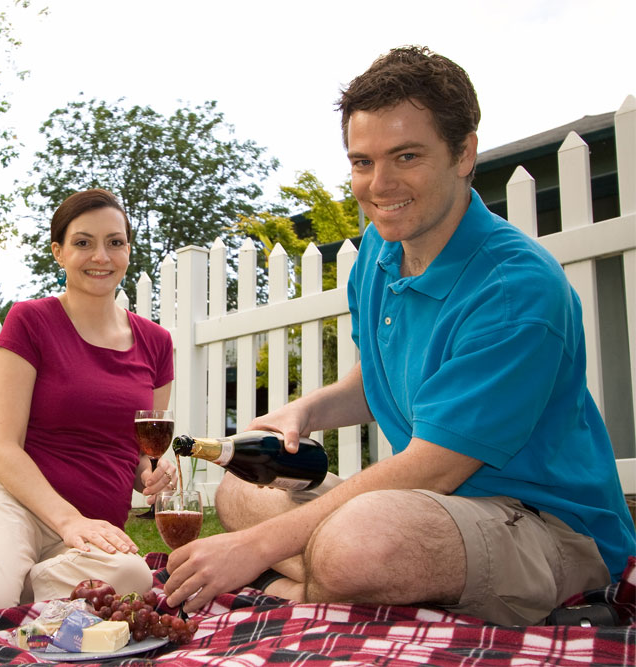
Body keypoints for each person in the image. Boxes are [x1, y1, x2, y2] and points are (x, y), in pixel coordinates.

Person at [162, 46, 636, 626]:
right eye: (362, 161)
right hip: (430, 509)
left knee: (360, 540)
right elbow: (375, 380)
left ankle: (307, 581)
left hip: (546, 522)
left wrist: (258, 548)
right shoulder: (380, 256)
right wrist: (303, 412)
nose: (378, 184)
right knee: (238, 488)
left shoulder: (516, 290)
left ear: (464, 154)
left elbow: (434, 466)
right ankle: (328, 582)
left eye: (405, 156)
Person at [0, 188, 176, 616]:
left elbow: (140, 453)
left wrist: (154, 473)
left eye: (114, 242)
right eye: (83, 243)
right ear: (59, 253)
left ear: (127, 251)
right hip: (16, 506)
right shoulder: (30, 320)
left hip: (91, 535)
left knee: (133, 577)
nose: (100, 256)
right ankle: (1, 583)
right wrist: (67, 520)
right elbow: (3, 447)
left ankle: (18, 585)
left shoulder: (156, 343)